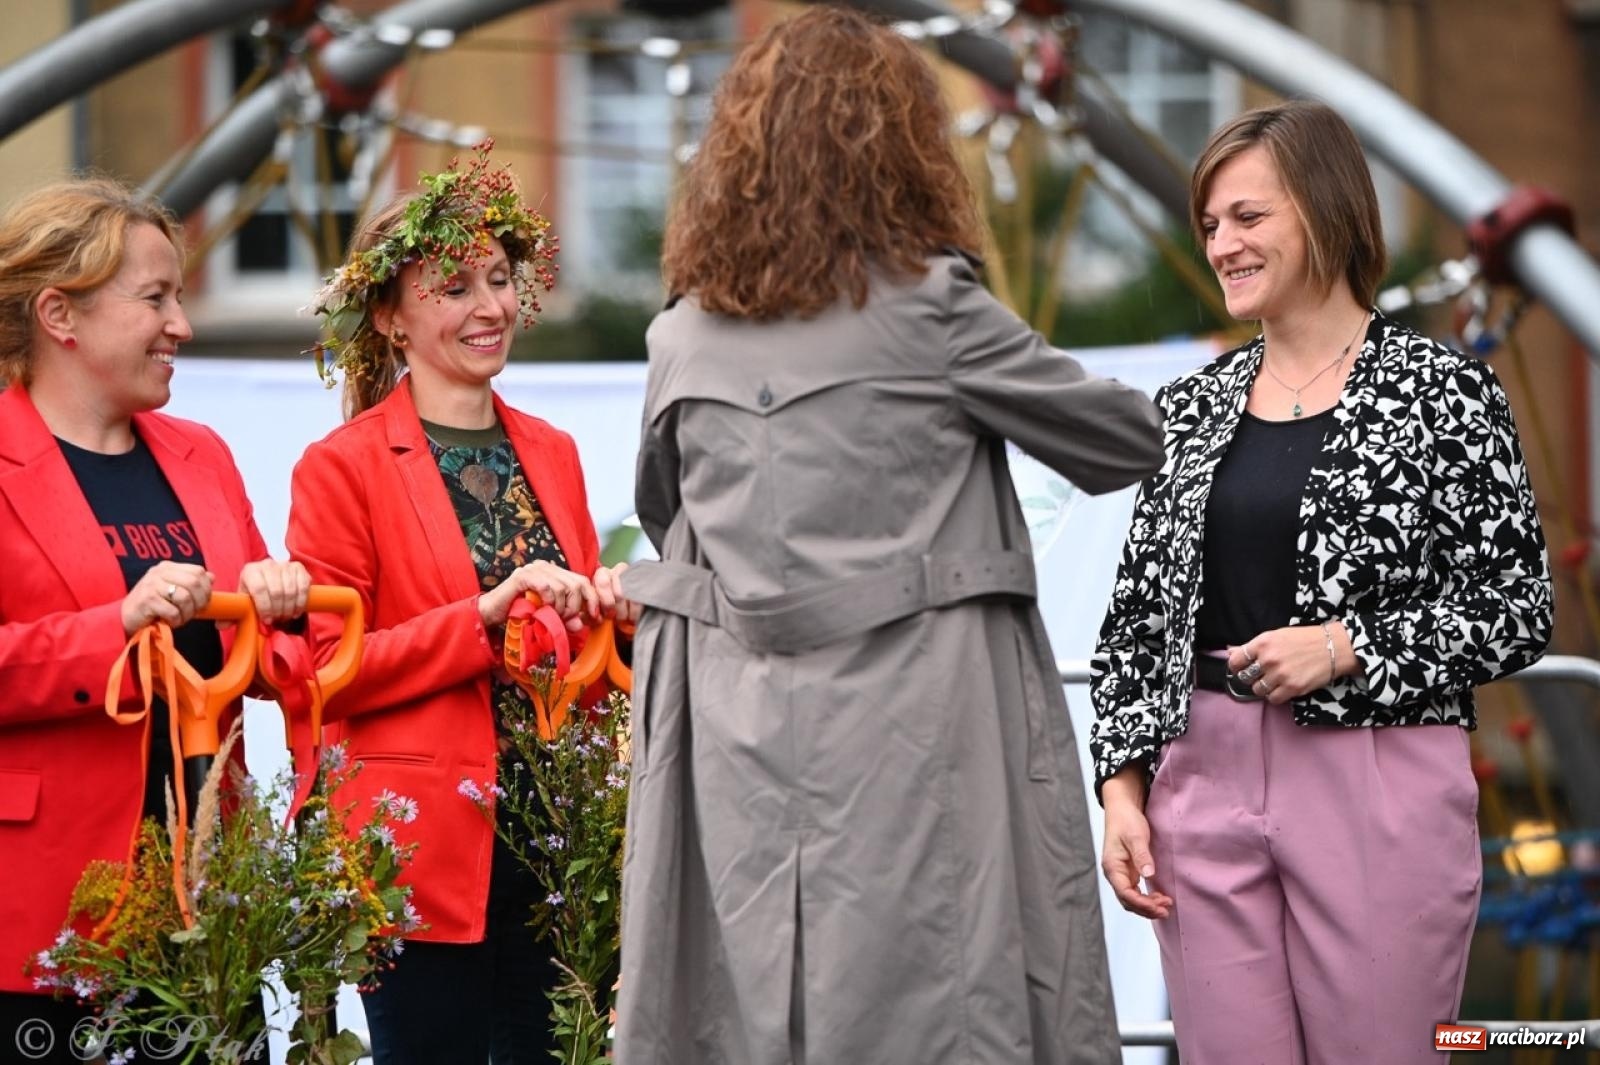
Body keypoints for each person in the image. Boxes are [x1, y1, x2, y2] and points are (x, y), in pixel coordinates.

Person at [612, 8, 1164, 1064]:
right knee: (941, 998)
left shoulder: (679, 334)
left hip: (737, 740)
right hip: (921, 729)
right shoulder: (929, 310)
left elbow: (664, 513)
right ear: (901, 147)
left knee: (754, 1006)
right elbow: (1123, 440)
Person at [1091, 99, 1554, 1064]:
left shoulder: (1442, 389)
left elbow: (1517, 608)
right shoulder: (1190, 405)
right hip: (1199, 779)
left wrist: (1346, 645)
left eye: (1248, 218)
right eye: (1210, 225)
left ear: (1326, 210)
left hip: (1379, 775)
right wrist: (1125, 792)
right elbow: (1137, 619)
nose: (1222, 244)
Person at [288, 145, 638, 1065]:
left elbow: (581, 656)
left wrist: (616, 612)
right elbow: (325, 673)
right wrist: (483, 615)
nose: (491, 306)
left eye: (499, 278)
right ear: (390, 319)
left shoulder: (553, 449)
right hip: (420, 851)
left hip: (556, 843)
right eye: (453, 286)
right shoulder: (343, 465)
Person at [0, 178, 309, 1063]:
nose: (182, 324)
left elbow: (270, 651)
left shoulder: (200, 453)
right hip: (45, 919)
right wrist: (116, 625)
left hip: (204, 912)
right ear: (61, 313)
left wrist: (279, 605)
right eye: (156, 298)